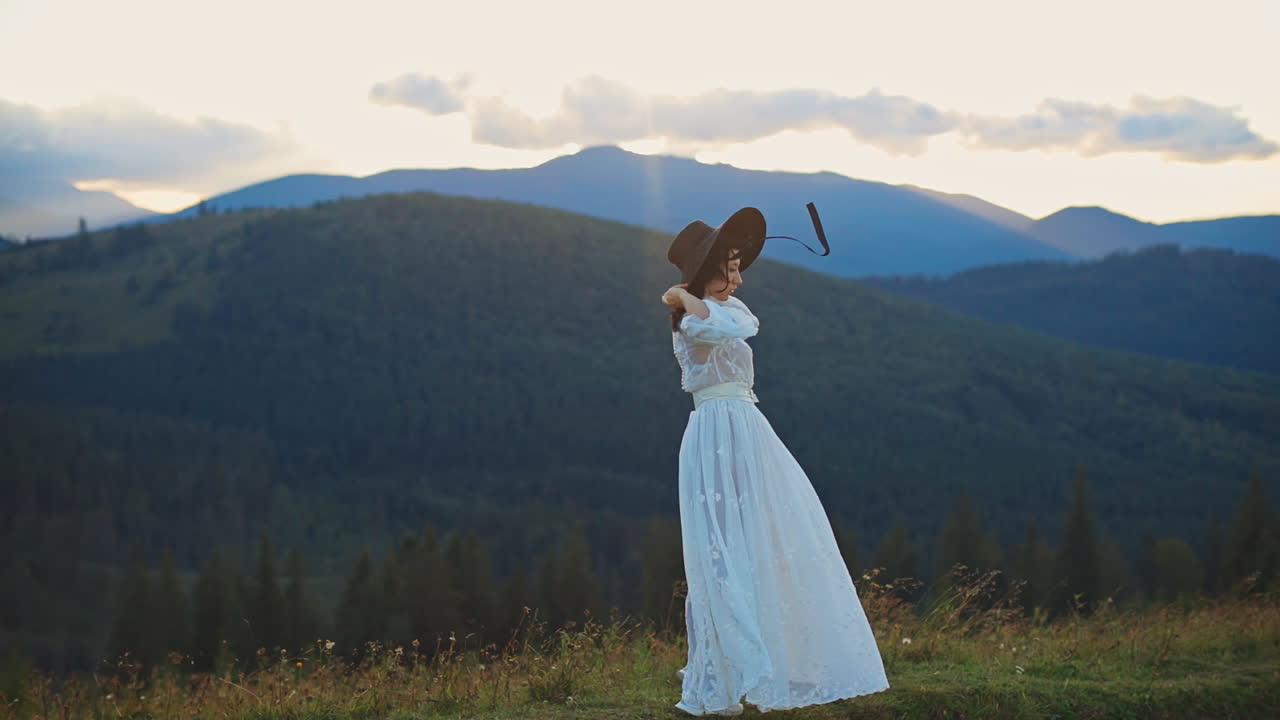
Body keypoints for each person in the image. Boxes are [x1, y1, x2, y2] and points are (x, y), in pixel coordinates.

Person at [660, 206, 890, 716]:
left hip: (745, 429)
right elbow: (709, 327)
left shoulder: (722, 313)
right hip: (715, 430)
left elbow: (743, 322)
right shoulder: (691, 324)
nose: (738, 279)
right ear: (705, 270)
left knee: (769, 534)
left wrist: (687, 294)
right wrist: (684, 297)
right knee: (722, 545)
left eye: (740, 268)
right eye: (729, 268)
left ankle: (768, 656)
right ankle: (724, 673)